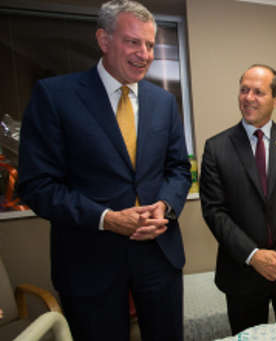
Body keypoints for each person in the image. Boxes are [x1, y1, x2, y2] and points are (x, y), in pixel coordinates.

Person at [17, 1, 191, 340]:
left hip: (159, 255)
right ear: (104, 39)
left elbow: (178, 170)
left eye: (151, 44)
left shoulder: (164, 102)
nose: (145, 53)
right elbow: (37, 185)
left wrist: (166, 206)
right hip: (89, 261)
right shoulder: (56, 96)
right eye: (133, 42)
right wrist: (107, 218)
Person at [200, 64, 276, 335]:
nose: (248, 97)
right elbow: (214, 211)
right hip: (242, 273)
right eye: (244, 90)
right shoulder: (217, 147)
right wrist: (253, 256)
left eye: (258, 92)